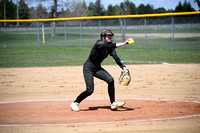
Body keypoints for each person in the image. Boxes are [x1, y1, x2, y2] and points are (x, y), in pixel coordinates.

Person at [70, 29, 131, 111]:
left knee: (110, 80)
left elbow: (116, 58)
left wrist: (124, 67)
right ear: (103, 37)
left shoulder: (110, 47)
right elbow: (109, 46)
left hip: (97, 68)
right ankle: (75, 103)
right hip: (88, 68)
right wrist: (124, 43)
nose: (110, 38)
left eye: (111, 36)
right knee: (89, 90)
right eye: (108, 36)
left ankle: (113, 103)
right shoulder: (99, 44)